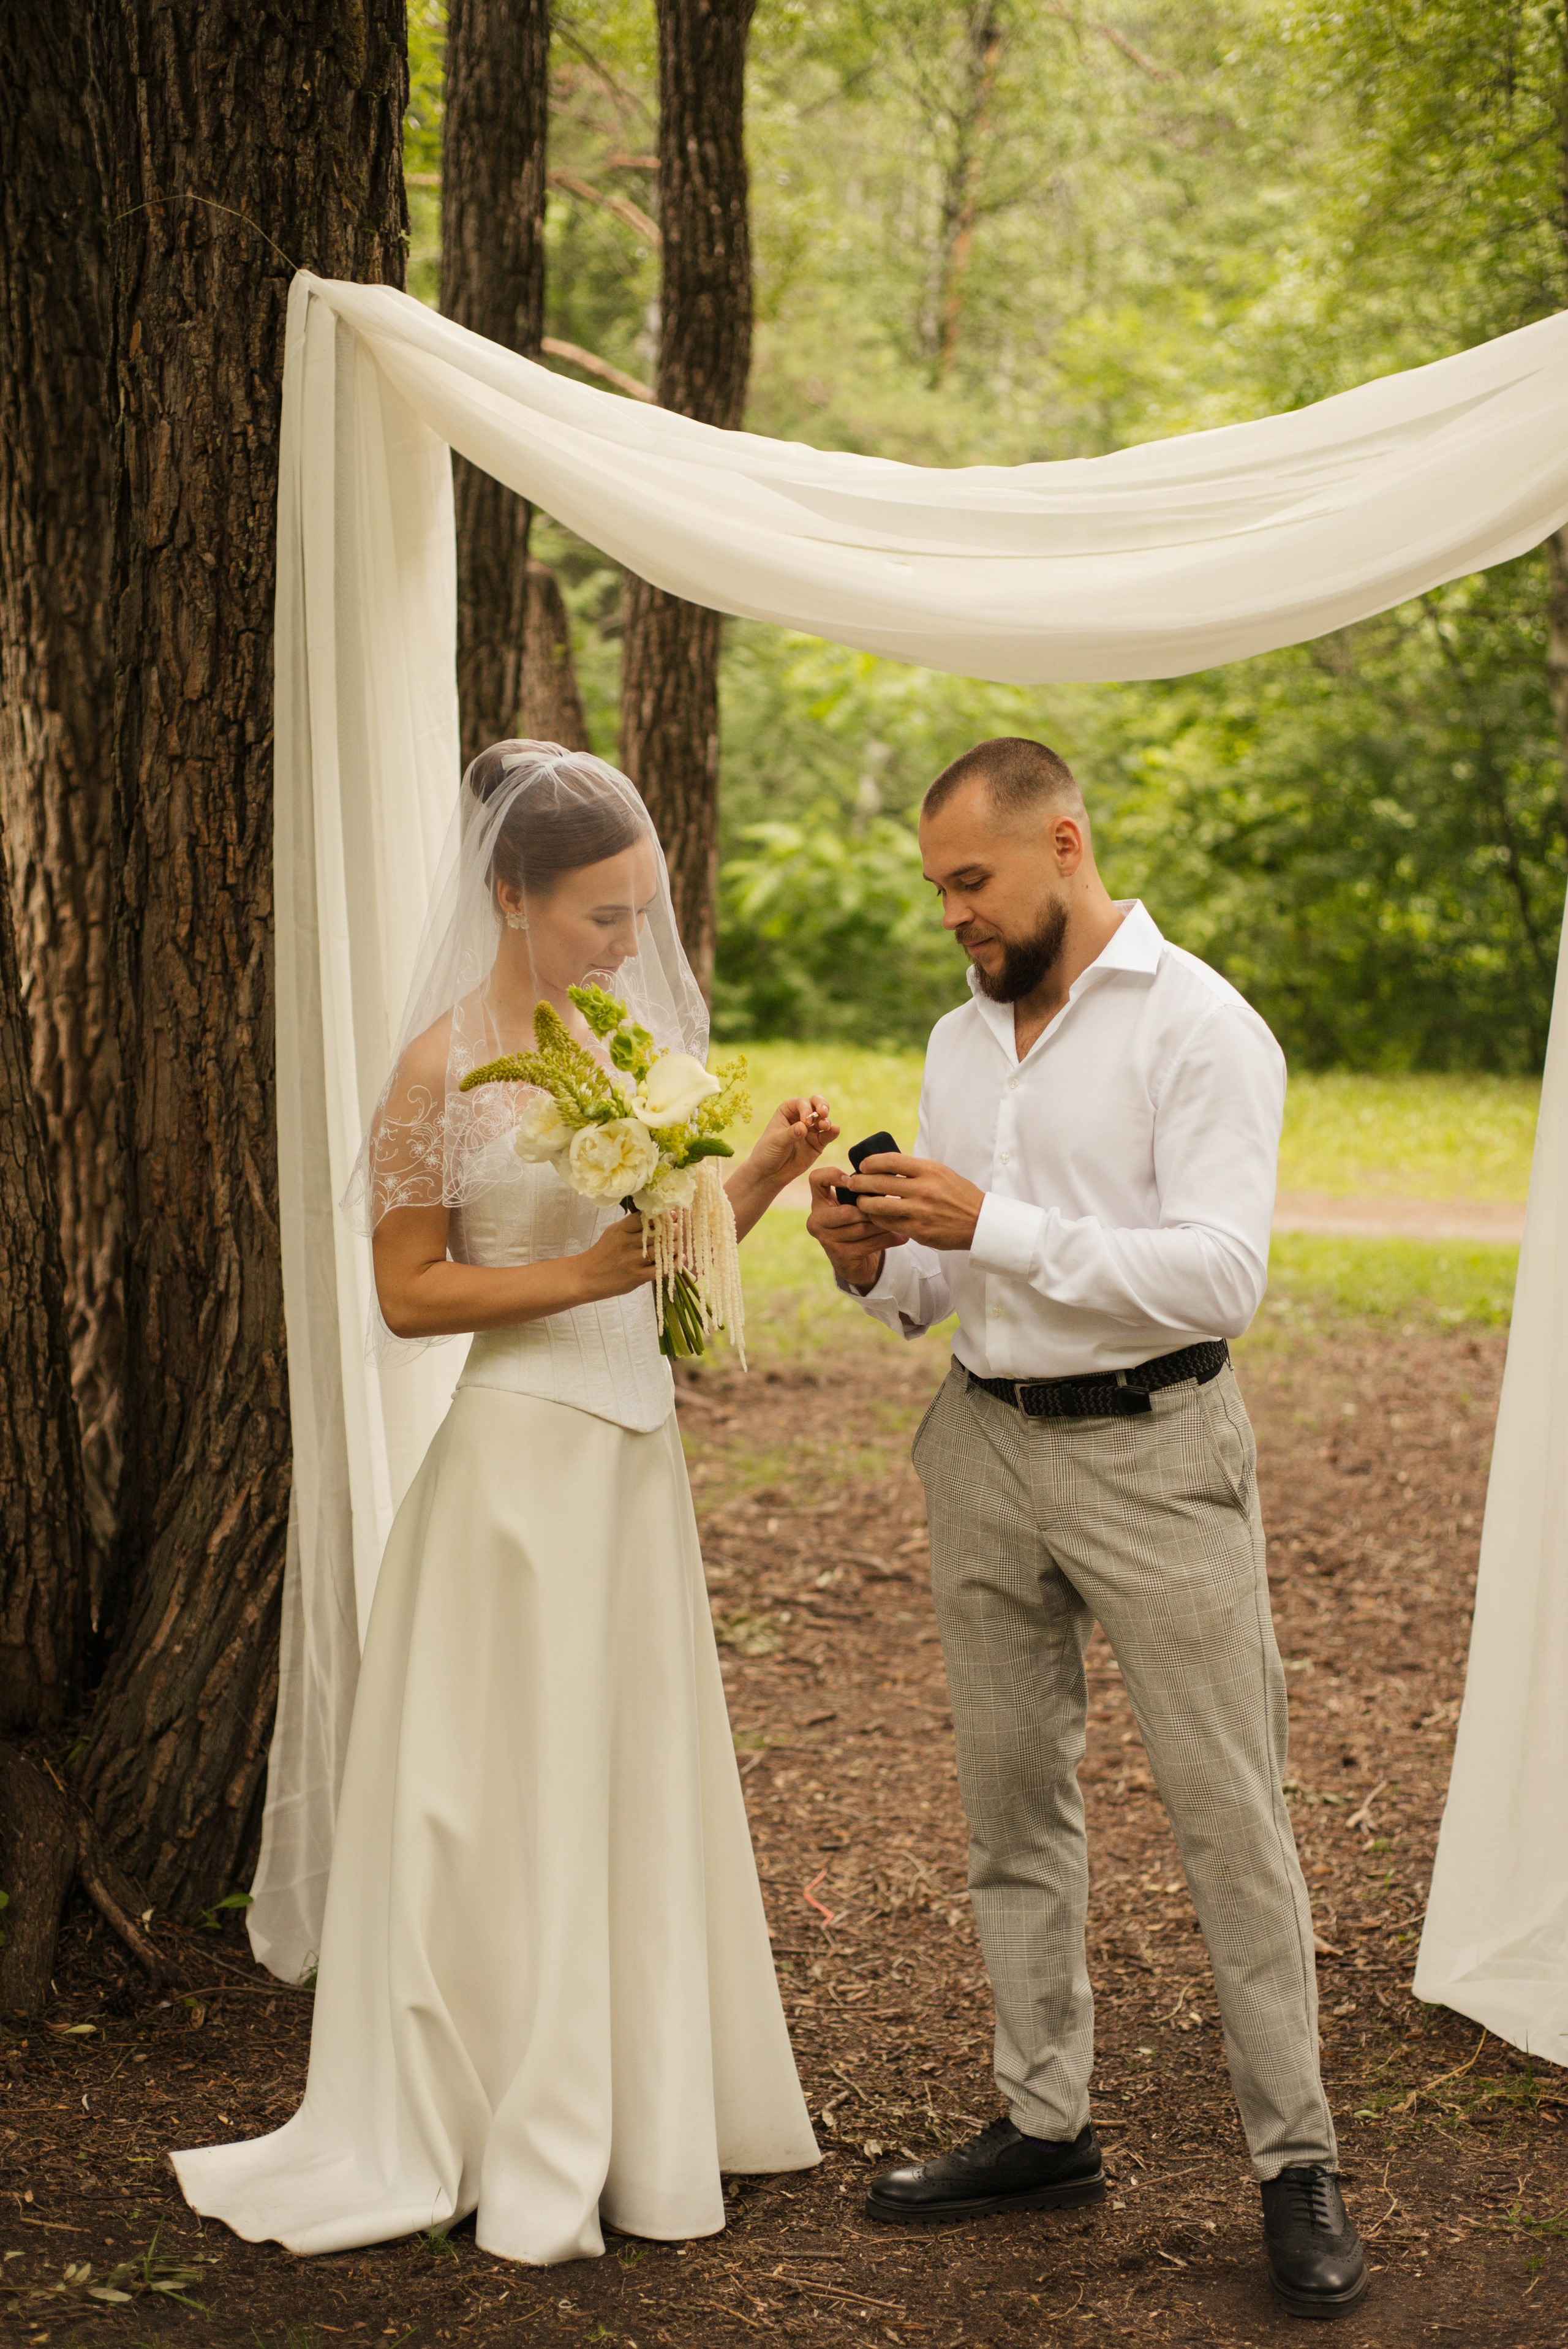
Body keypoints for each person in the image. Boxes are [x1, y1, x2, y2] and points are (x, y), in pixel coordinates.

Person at [173, 743, 830, 2265]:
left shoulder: (618, 1045)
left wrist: (764, 1180)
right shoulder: (440, 1067)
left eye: (638, 913)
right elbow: (409, 1295)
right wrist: (579, 1273)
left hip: (631, 1463)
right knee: (508, 1796)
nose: (626, 945)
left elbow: (663, 1272)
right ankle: (488, 2109)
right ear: (508, 895)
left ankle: (638, 2103)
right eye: (601, 917)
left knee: (621, 1777)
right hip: (519, 1472)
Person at [805, 737, 1367, 2321]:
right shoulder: (959, 1034)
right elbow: (941, 1288)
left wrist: (997, 1221)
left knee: (1228, 1821)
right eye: (937, 891)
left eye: (971, 883)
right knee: (1012, 1810)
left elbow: (1219, 1275)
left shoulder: (1202, 1025)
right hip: (983, 1444)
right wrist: (872, 1255)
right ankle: (1045, 2121)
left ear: (1063, 843)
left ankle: (1299, 2163)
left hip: (1157, 1452)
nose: (954, 918)